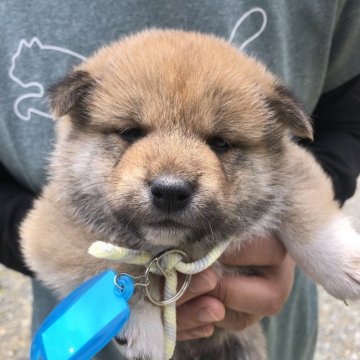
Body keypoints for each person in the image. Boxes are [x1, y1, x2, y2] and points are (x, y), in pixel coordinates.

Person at [1, 1, 360, 359]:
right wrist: (129, 298)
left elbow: (300, 165)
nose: (171, 180)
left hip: (252, 333)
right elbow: (41, 239)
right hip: (85, 344)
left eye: (219, 143)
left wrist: (321, 242)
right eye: (130, 132)